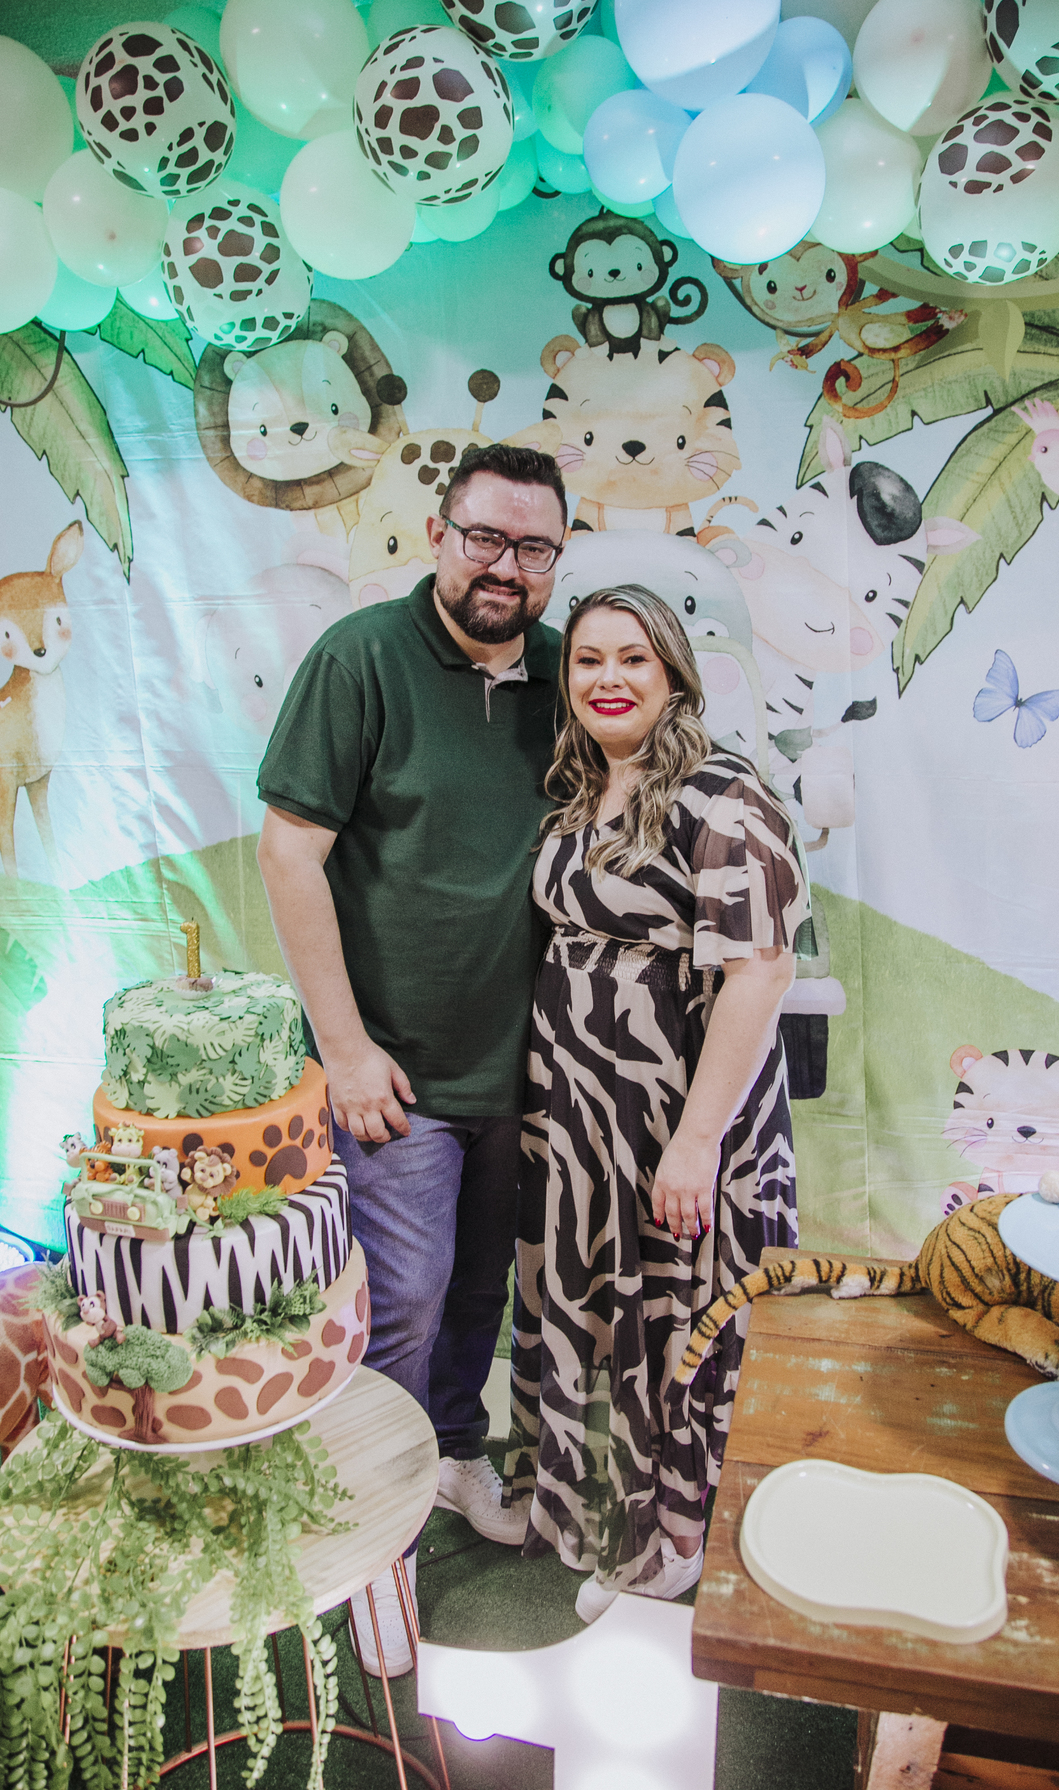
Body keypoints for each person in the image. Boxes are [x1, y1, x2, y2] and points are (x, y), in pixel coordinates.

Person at [256, 442, 567, 1672]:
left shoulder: (570, 673)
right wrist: (344, 1049)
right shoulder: (362, 659)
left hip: (527, 1070)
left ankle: (452, 1458)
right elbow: (290, 852)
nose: (504, 566)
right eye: (484, 537)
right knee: (405, 1302)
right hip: (395, 1073)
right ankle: (369, 1550)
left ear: (555, 560)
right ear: (439, 534)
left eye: (533, 548)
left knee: (483, 1293)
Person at [504, 584, 809, 1623]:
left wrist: (694, 1144)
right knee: (594, 1310)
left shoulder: (724, 797)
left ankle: (675, 1533)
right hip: (581, 1122)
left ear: (673, 672)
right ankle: (597, 1507)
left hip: (677, 1119)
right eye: (588, 660)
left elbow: (761, 974)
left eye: (633, 658)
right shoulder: (581, 787)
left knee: (674, 1313)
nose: (609, 679)